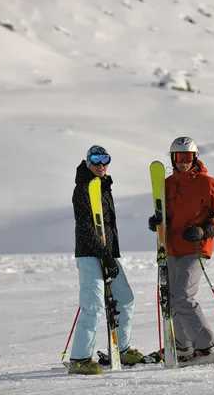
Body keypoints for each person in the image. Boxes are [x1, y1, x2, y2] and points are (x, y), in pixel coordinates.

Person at [148, 137, 214, 366]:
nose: (183, 162)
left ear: (195, 158)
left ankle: (206, 347)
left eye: (187, 157)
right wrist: (157, 221)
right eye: (178, 158)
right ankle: (183, 347)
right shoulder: (167, 184)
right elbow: (164, 214)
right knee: (172, 297)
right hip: (173, 248)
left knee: (184, 296)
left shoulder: (207, 183)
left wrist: (206, 229)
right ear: (172, 159)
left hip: (196, 249)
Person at [68, 145, 144, 375]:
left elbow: (106, 226)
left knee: (126, 299)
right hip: (91, 255)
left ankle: (120, 348)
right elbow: (85, 227)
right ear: (87, 161)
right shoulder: (81, 188)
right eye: (96, 159)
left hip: (108, 255)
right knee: (93, 307)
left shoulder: (103, 187)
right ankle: (79, 359)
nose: (101, 164)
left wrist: (111, 255)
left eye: (105, 159)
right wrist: (104, 255)